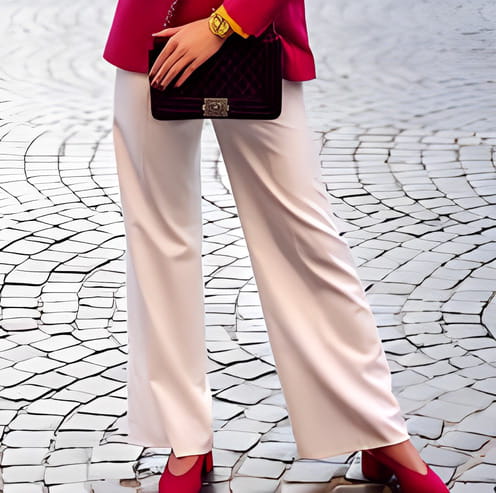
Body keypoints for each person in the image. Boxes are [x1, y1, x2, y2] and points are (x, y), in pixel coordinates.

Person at [102, 1, 451, 492]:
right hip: (153, 32)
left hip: (256, 30)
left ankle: (378, 430)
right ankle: (185, 439)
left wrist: (225, 24)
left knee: (305, 239)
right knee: (158, 239)